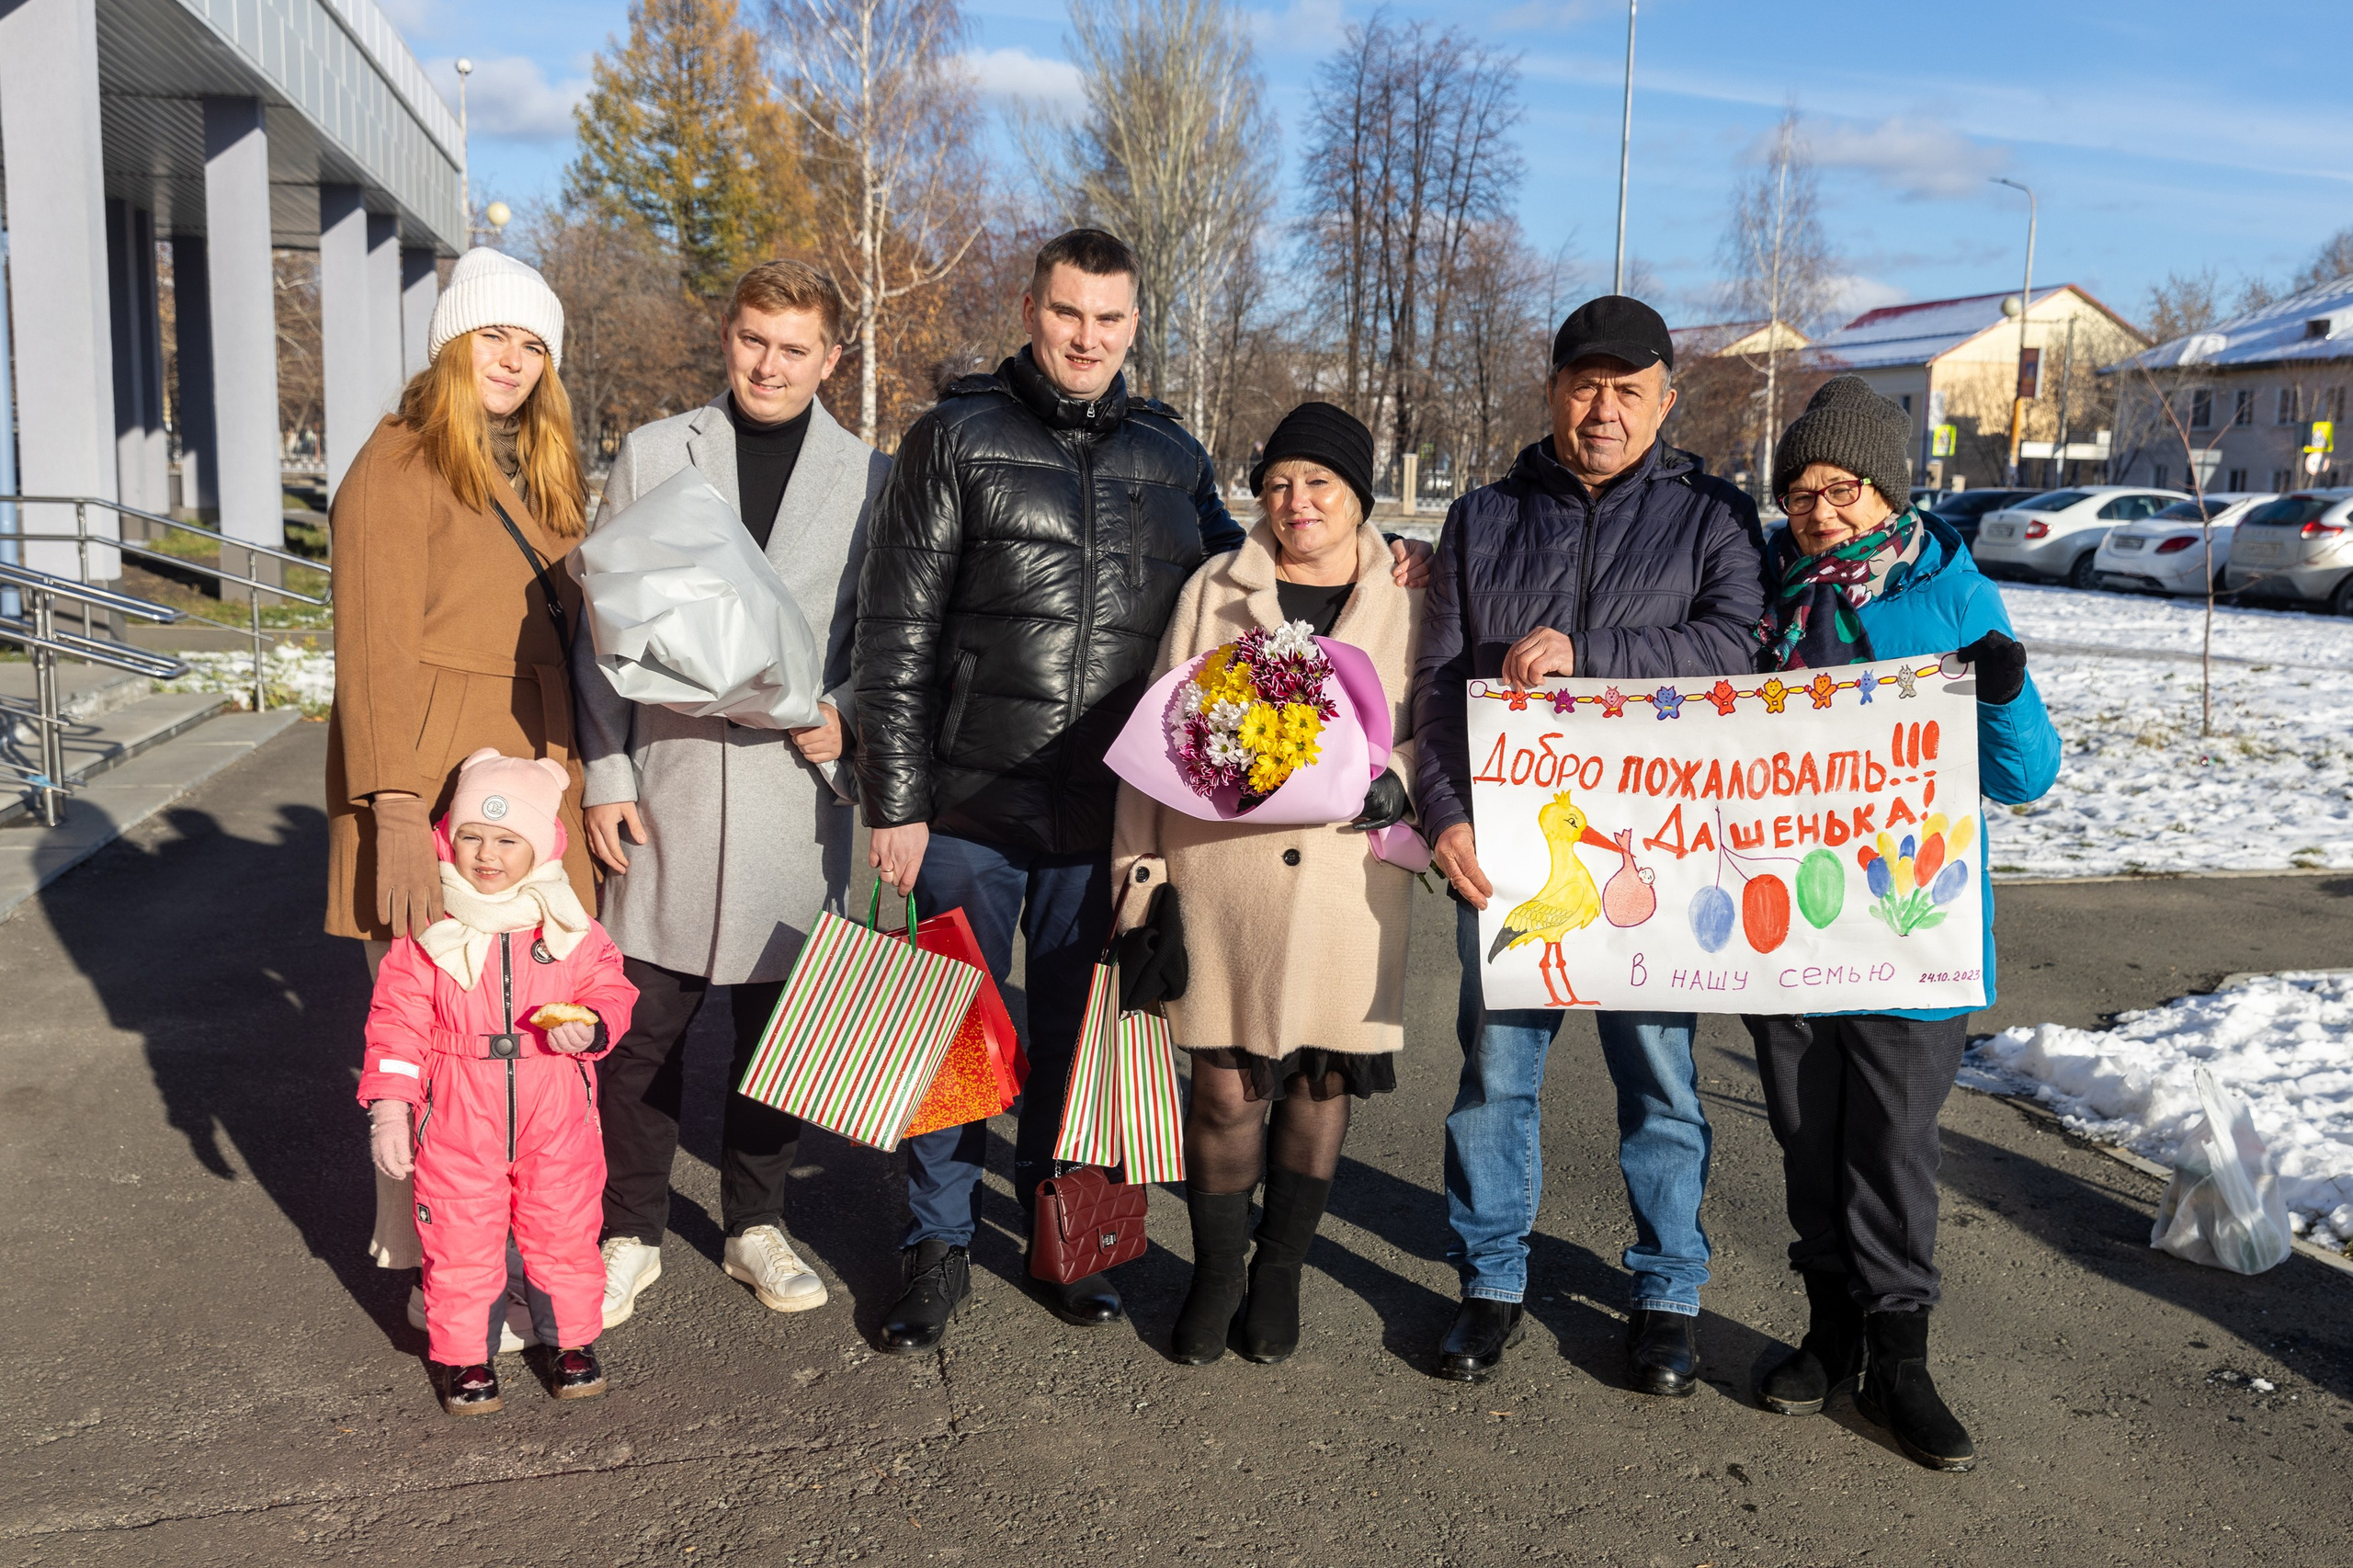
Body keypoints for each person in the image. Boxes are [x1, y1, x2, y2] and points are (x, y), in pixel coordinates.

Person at [854, 230, 1430, 1352]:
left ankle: (1077, 1245)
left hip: (1106, 808)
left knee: (1089, 1049)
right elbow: (898, 622)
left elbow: (1263, 567)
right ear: (1032, 308)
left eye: (1109, 319)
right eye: (1069, 313)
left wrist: (1389, 546)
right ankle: (936, 1244)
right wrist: (896, 796)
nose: (1087, 337)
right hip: (972, 798)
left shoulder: (1168, 454)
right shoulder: (956, 436)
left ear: (1132, 325)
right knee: (951, 1034)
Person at [1413, 294, 1766, 1391]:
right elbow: (1434, 688)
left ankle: (1666, 1290)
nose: (1602, 410)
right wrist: (1443, 812)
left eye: (1627, 390)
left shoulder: (1713, 515)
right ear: (1552, 389)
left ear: (1665, 398)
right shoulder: (1482, 517)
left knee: (1659, 1081)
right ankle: (1491, 1280)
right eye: (1584, 385)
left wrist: (1590, 650)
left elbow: (1735, 652)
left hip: (1647, 864)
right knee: (1493, 1078)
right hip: (1513, 858)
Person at [1743, 376, 2057, 1471]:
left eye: (1841, 487)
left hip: (1907, 928)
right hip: (1786, 925)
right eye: (1798, 490)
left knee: (1892, 1147)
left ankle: (1900, 1359)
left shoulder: (1949, 591)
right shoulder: (1763, 591)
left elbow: (2027, 778)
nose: (1818, 510)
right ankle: (1826, 1337)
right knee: (1806, 1138)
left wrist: (2005, 691)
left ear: (1888, 490)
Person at [574, 261, 889, 1330]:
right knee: (640, 1027)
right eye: (753, 338)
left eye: (793, 346)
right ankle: (629, 1229)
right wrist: (605, 772)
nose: (769, 363)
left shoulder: (868, 476)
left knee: (774, 1031)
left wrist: (843, 715)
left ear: (830, 358)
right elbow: (601, 624)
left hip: (788, 796)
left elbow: (879, 637)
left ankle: (755, 1222)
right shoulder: (658, 451)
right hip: (665, 783)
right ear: (727, 335)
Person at [1110, 403, 1421, 1366]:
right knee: (1224, 1089)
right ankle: (1215, 1271)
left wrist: (1402, 771)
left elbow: (1445, 720)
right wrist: (1137, 876)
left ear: (1359, 498)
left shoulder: (1411, 596)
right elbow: (1155, 733)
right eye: (1279, 482)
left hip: (1346, 883)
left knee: (1321, 1081)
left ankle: (1278, 1270)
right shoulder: (1217, 586)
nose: (1296, 502)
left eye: (1319, 483)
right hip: (1218, 878)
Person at [325, 246, 594, 1341]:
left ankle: (521, 1255)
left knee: (525, 1035)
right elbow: (374, 649)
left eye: (534, 345)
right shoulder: (397, 463)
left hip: (535, 761)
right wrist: (394, 807)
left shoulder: (539, 471)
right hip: (430, 775)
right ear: (451, 339)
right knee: (434, 1039)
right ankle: (441, 1268)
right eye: (496, 334)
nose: (514, 360)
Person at [358, 749, 639, 1415]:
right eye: (471, 837)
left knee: (565, 1228)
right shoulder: (429, 930)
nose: (487, 854)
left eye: (508, 839)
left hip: (556, 1107)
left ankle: (570, 1340)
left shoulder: (570, 927)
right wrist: (391, 1109)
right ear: (446, 839)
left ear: (540, 847)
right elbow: (395, 1023)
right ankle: (465, 1358)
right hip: (457, 1107)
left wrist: (594, 1024)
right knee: (458, 1237)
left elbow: (613, 988)